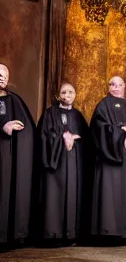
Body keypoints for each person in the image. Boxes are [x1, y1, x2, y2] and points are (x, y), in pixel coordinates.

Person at [90, 75, 126, 243]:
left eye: (119, 85)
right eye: (112, 84)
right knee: (109, 195)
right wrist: (120, 134)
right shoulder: (102, 105)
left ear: (124, 87)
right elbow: (98, 128)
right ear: (108, 87)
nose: (116, 87)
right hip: (109, 160)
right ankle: (109, 232)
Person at [39, 82, 92, 245]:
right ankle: (53, 235)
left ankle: (72, 235)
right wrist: (61, 138)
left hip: (75, 165)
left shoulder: (78, 116)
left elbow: (88, 140)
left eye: (70, 92)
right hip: (56, 165)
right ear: (58, 95)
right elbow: (43, 136)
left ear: (75, 95)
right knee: (54, 197)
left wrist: (76, 141)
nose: (67, 95)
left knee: (73, 196)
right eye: (64, 92)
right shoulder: (49, 113)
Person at [0, 63, 35, 250]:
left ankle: (9, 237)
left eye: (5, 74)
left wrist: (18, 130)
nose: (1, 77)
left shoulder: (16, 101)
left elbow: (29, 129)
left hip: (11, 161)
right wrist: (3, 127)